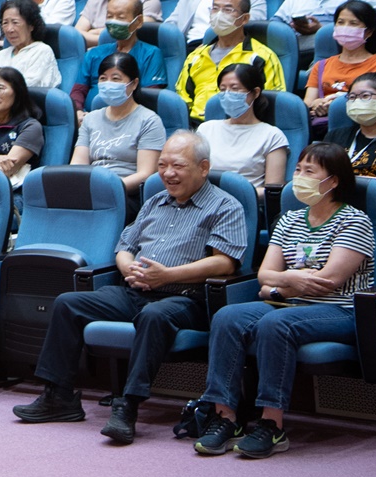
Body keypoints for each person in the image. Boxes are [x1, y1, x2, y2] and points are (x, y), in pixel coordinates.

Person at [13, 131, 248, 443]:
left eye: (177, 166)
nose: (167, 173)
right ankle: (59, 396)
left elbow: (226, 263)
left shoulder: (224, 205)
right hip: (137, 290)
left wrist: (169, 275)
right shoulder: (154, 201)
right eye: (162, 165)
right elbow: (125, 246)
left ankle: (128, 406)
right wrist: (127, 267)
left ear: (203, 168)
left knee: (154, 316)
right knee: (69, 303)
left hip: (186, 298)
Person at [195, 142, 374, 458]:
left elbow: (328, 281)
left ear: (333, 181)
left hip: (338, 310)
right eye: (298, 169)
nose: (300, 177)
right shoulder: (289, 218)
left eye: (310, 171)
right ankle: (225, 418)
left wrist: (281, 286)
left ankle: (271, 425)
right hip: (288, 303)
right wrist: (287, 282)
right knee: (227, 316)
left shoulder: (354, 221)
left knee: (275, 323)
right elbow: (266, 275)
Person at [72, 53, 167, 220]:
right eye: (103, 78)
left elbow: (145, 174)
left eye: (116, 79)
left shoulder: (149, 121)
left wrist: (109, 188)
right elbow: (78, 164)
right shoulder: (91, 119)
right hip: (90, 189)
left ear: (134, 83)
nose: (108, 84)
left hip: (126, 194)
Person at [176, 0, 285, 121]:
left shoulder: (261, 56)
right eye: (215, 8)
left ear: (244, 19)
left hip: (241, 125)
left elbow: (271, 100)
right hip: (197, 125)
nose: (219, 14)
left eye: (228, 10)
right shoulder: (196, 56)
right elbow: (182, 98)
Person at [303, 1, 376, 125]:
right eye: (340, 22)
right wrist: (317, 104)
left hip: (363, 124)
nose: (345, 28)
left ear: (369, 31)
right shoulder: (321, 65)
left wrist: (340, 104)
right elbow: (308, 103)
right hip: (324, 125)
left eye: (353, 23)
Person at [200, 62, 289, 196]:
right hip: (202, 201)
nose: (228, 95)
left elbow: (272, 191)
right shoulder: (206, 129)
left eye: (235, 89)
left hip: (244, 205)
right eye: (223, 89)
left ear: (255, 93)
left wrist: (231, 196)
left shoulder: (272, 135)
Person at [76, 0, 164, 106]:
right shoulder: (93, 53)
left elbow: (150, 95)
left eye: (120, 17)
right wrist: (78, 112)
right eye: (109, 16)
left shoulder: (151, 54)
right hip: (89, 117)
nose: (113, 21)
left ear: (138, 22)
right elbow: (78, 90)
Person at [0, 0, 60, 94]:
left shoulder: (42, 51)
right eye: (5, 23)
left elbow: (29, 85)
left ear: (31, 25)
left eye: (15, 22)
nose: (9, 29)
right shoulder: (2, 55)